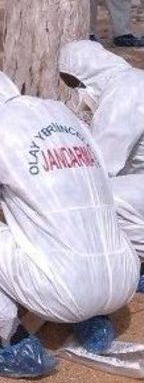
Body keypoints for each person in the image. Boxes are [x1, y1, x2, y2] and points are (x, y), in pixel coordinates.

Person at [0, 65, 139, 379]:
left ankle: (13, 340)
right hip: (124, 280)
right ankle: (93, 321)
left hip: (64, 293)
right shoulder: (62, 114)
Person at [59, 40, 144, 291]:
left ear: (88, 74)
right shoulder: (129, 81)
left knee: (99, 199)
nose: (77, 91)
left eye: (76, 84)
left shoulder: (124, 92)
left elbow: (101, 165)